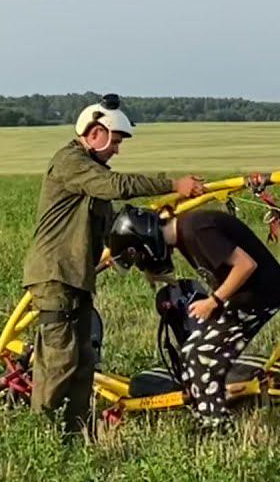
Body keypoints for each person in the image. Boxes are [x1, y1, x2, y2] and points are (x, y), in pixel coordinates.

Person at [22, 94, 204, 437]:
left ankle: (74, 436)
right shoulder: (71, 163)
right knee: (60, 361)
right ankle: (40, 438)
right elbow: (117, 186)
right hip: (55, 277)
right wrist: (172, 184)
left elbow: (114, 234)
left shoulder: (92, 178)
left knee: (85, 361)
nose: (117, 150)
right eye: (115, 141)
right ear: (94, 133)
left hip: (76, 278)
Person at [108, 206, 280, 431]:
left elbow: (246, 265)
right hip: (245, 297)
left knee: (198, 354)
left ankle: (217, 427)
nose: (144, 263)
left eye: (142, 258)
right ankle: (208, 411)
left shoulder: (197, 230)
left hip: (259, 296)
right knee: (195, 349)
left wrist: (214, 301)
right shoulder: (185, 233)